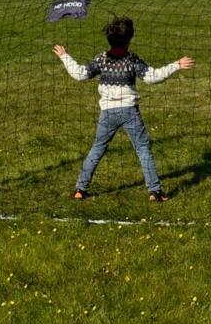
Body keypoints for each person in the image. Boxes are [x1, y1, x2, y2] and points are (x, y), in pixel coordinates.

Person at [53, 15, 195, 202]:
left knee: (97, 148)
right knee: (143, 149)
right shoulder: (132, 60)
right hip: (129, 112)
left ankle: (80, 189)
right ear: (129, 39)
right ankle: (155, 191)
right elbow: (152, 77)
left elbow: (80, 74)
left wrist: (65, 56)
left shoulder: (102, 59)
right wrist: (175, 65)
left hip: (107, 113)